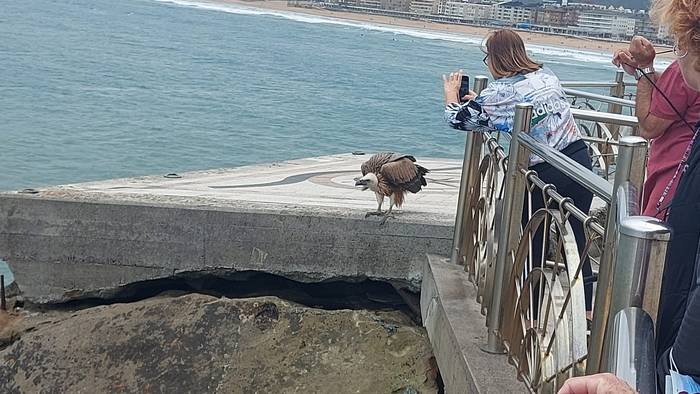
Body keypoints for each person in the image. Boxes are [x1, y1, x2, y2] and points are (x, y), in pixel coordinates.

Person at [442, 29, 595, 319]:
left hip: (544, 172)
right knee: (577, 236)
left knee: (533, 239)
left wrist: (452, 95)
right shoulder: (545, 75)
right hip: (578, 160)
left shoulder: (500, 92)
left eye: (487, 57)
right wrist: (483, 102)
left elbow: (457, 120)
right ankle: (587, 308)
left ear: (495, 58)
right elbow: (522, 109)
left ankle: (530, 313)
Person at [631, 0, 700, 390]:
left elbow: (649, 125)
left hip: (676, 178)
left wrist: (643, 71)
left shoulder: (683, 71)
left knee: (661, 263)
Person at [613, 38, 700, 220]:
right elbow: (678, 89)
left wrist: (645, 67)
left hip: (676, 172)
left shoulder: (685, 69)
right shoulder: (684, 74)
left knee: (653, 238)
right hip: (690, 170)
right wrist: (644, 72)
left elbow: (648, 127)